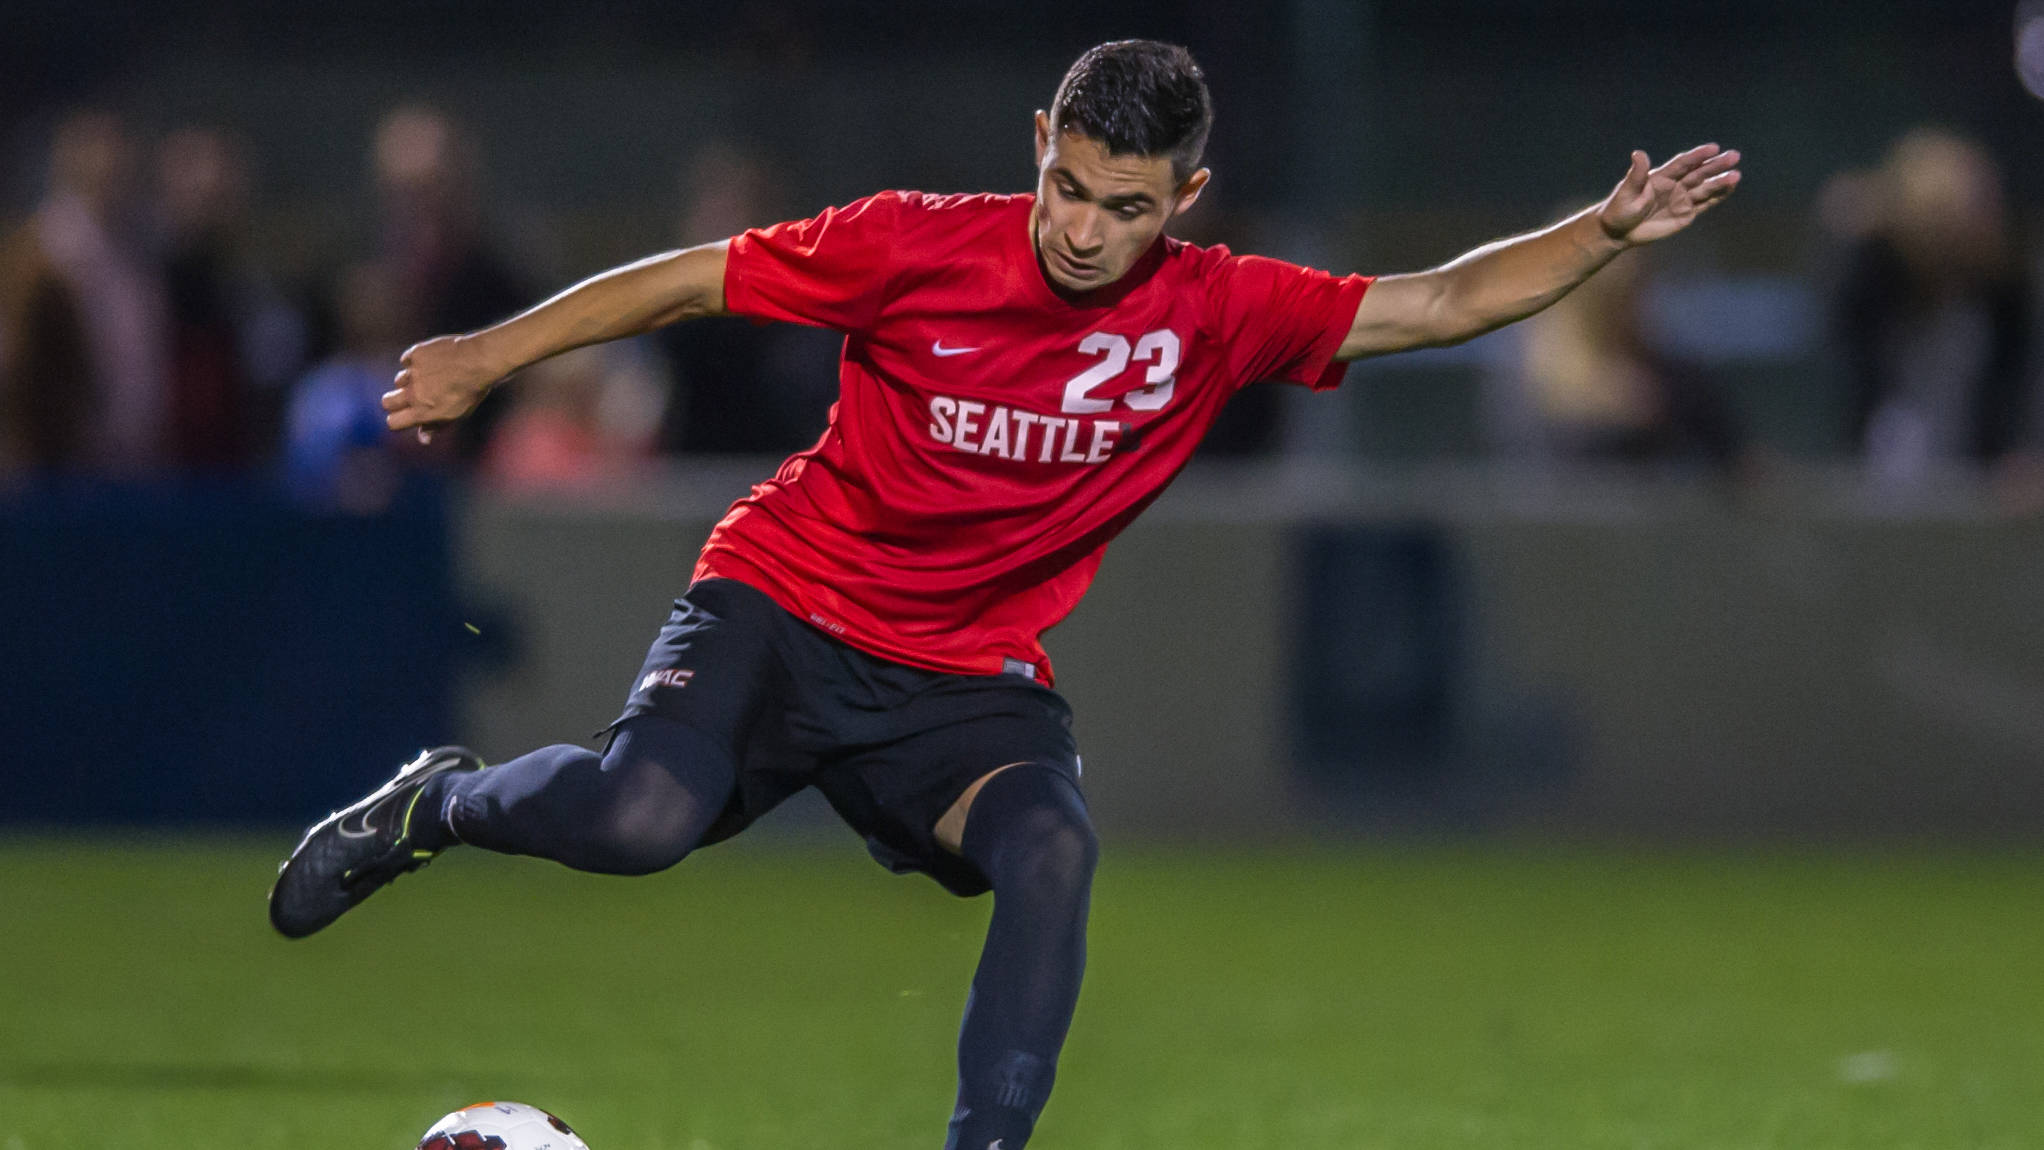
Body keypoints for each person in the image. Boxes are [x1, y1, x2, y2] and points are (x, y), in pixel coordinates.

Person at [268, 40, 1739, 1150]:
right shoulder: (919, 243)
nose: (1087, 228)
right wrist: (485, 354)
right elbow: (692, 282)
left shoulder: (1216, 309)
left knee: (1050, 850)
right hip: (783, 599)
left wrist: (1597, 240)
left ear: (1188, 198)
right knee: (632, 821)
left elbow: (1437, 301)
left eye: (1128, 205)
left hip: (965, 677)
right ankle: (435, 807)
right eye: (1069, 185)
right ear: (1039, 142)